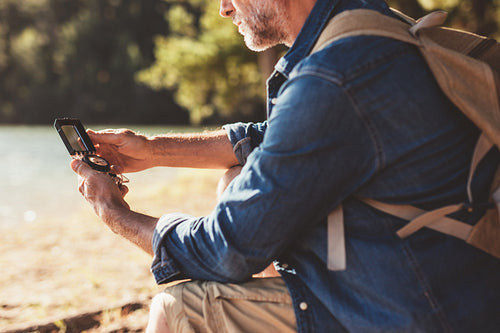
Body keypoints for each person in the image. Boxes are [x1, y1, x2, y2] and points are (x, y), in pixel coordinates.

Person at [70, 0, 500, 332]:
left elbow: (227, 248)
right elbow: (279, 136)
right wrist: (152, 150)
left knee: (181, 310)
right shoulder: (368, 30)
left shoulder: (334, 77)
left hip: (411, 309)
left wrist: (114, 213)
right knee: (237, 178)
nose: (223, 8)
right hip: (450, 282)